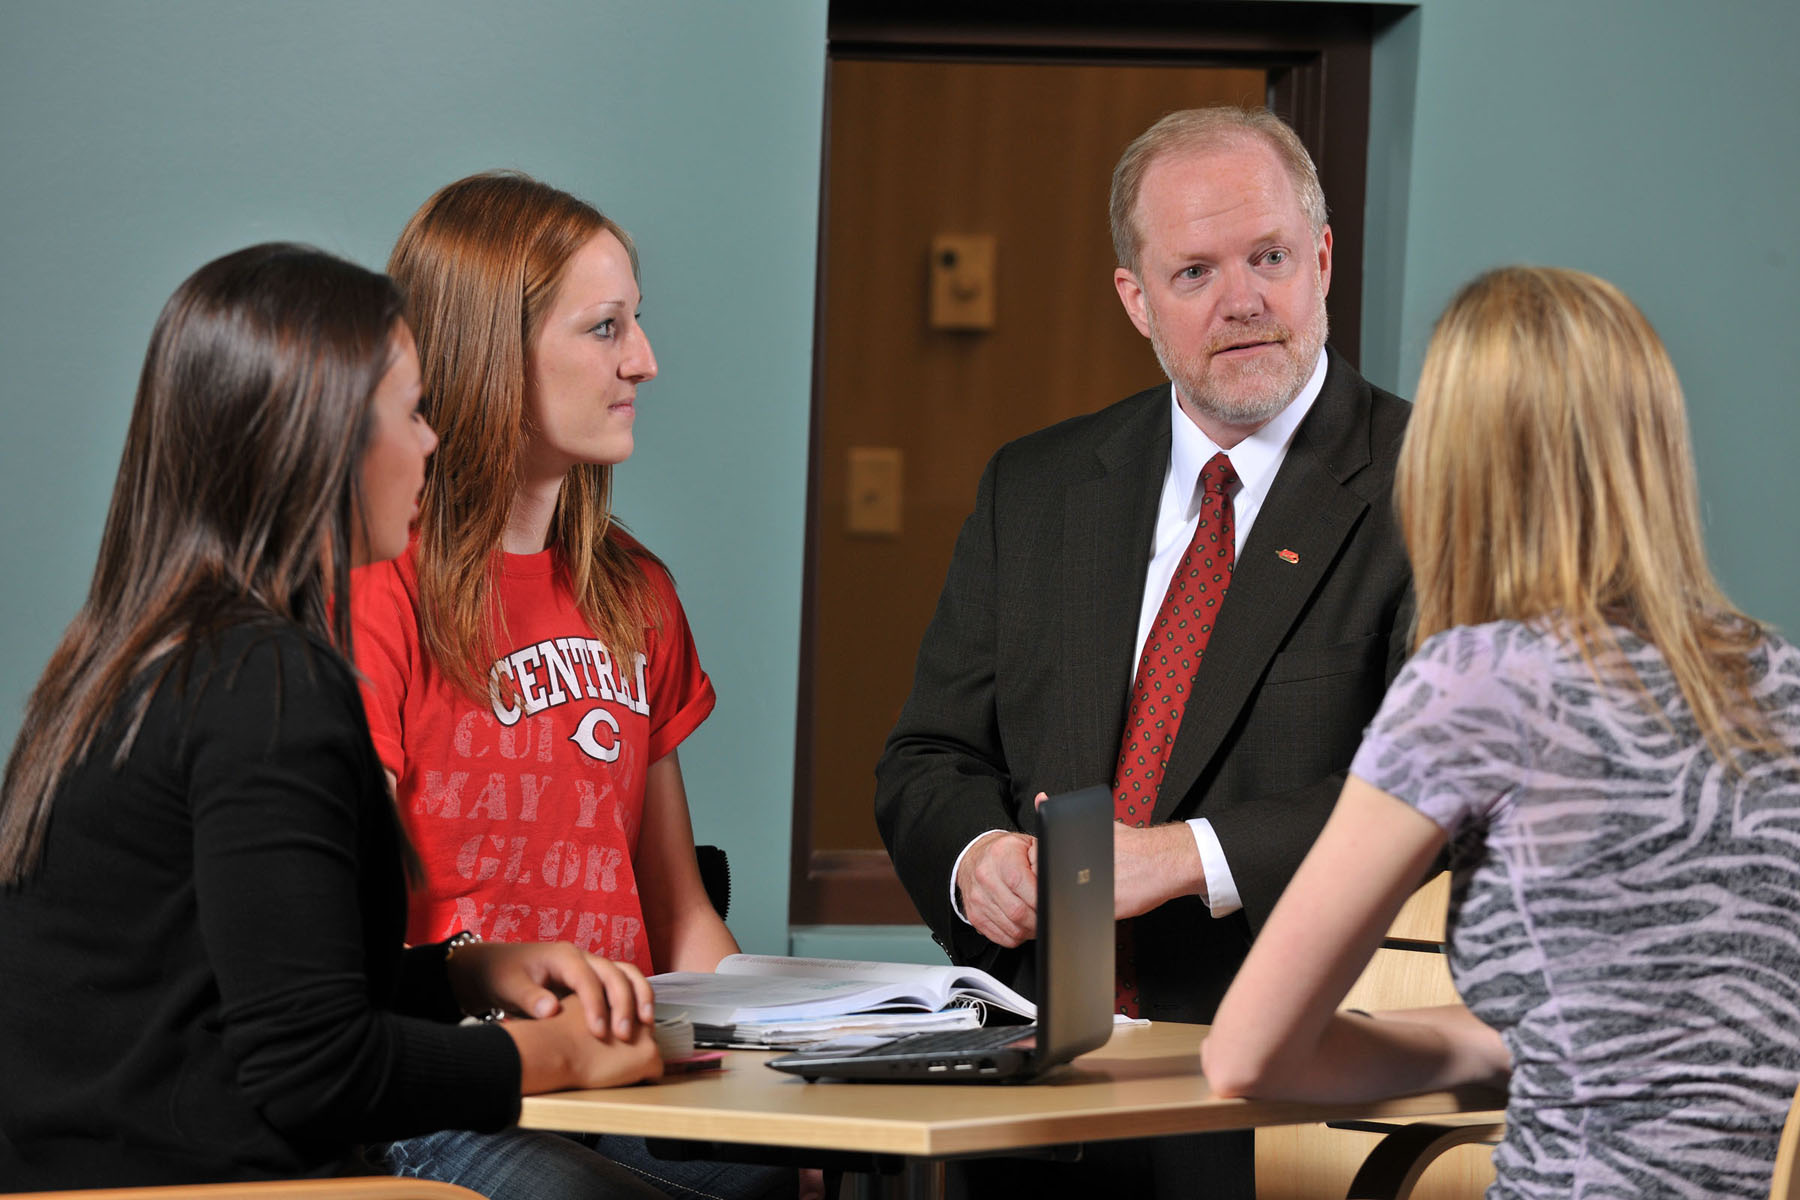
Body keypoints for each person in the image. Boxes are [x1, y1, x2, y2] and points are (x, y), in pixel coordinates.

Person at [0, 244, 663, 1191]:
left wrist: (462, 977)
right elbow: (314, 1070)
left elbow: (239, 991)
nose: (433, 443)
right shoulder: (266, 687)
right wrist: (561, 1057)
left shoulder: (125, 663)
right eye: (411, 413)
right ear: (319, 440)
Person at [875, 106, 1413, 1196]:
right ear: (1137, 300)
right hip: (1028, 1084)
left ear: (1320, 259)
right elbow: (927, 758)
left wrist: (1187, 855)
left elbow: (1430, 794)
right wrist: (978, 859)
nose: (1242, 302)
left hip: (1279, 1095)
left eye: (1268, 257)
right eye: (1194, 272)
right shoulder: (1032, 487)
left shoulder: (1433, 481)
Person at [1206, 266, 1800, 1198]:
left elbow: (1247, 1056)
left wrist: (1476, 1050)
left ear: (1454, 460)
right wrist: (1513, 1040)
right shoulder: (1780, 680)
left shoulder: (1483, 685)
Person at [353, 173, 796, 1200]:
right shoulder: (376, 587)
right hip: (443, 1084)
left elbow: (680, 915)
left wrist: (792, 1063)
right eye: (606, 328)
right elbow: (346, 931)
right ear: (489, 353)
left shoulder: (636, 591)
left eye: (635, 324)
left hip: (625, 1077)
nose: (644, 360)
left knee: (779, 1173)